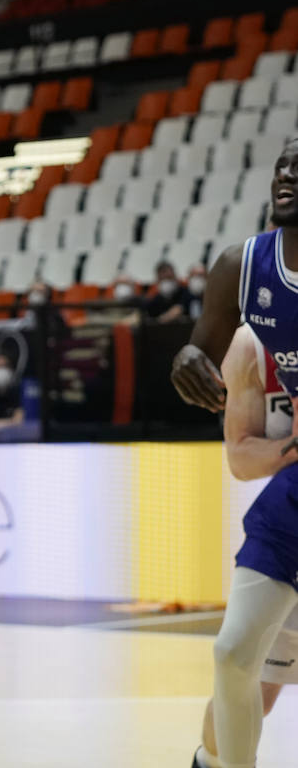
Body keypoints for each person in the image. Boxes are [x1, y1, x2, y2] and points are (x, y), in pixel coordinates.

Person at [170, 137, 298, 768]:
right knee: (235, 659)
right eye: (283, 165)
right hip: (291, 492)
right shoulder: (243, 273)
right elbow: (240, 457)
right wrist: (188, 360)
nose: (289, 175)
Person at [190, 322, 298, 768]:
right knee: (242, 676)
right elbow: (240, 457)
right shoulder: (253, 343)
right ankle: (207, 761)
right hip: (287, 527)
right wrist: (293, 453)